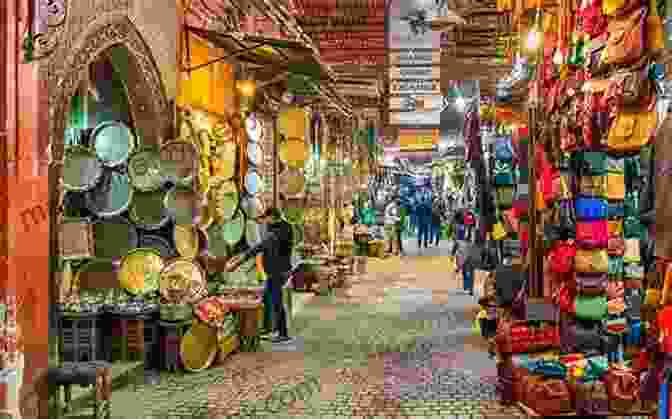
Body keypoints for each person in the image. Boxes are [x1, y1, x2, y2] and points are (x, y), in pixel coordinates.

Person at [198, 208, 294, 343]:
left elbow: (260, 247)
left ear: (272, 217)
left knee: (276, 301)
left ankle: (282, 333)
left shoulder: (280, 231)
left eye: (266, 218)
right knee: (267, 298)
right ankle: (269, 330)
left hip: (278, 271)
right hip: (277, 270)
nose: (264, 221)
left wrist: (240, 260)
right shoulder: (280, 227)